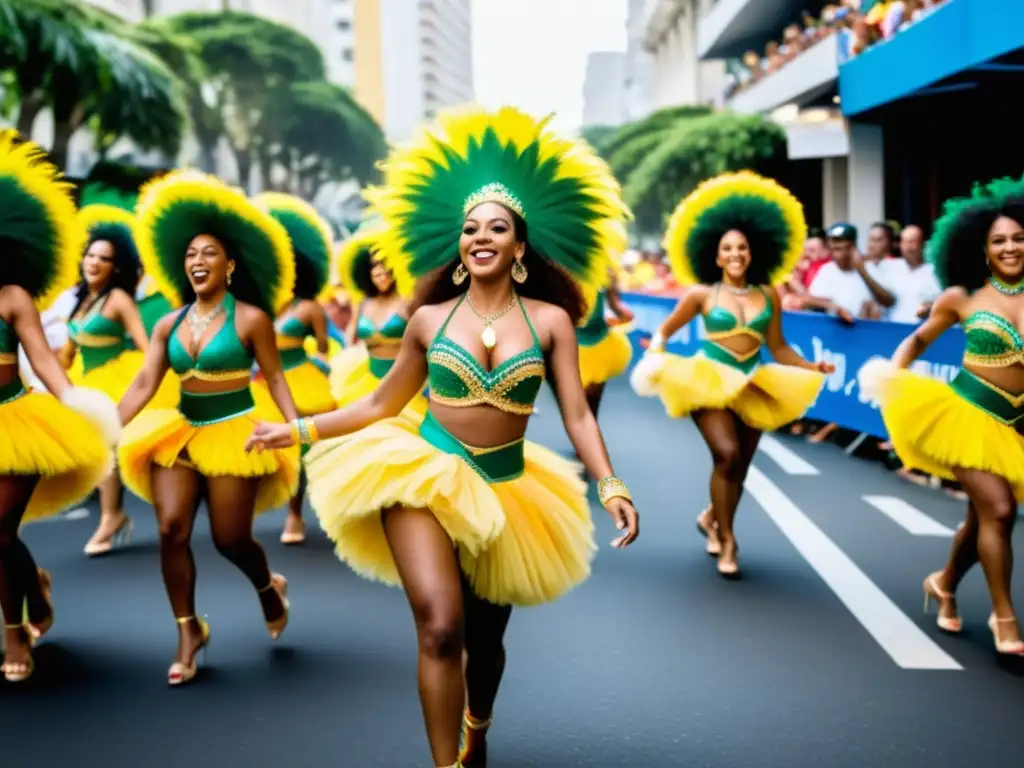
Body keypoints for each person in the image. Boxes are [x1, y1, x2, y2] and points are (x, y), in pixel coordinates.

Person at [247, 105, 640, 768]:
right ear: (459, 246)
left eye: (497, 228)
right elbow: (379, 403)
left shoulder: (551, 321)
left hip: (509, 488)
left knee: (484, 644)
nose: (480, 236)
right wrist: (296, 429)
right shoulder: (428, 318)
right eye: (470, 228)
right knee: (439, 627)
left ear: (520, 248)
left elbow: (577, 416)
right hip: (422, 472)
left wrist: (610, 483)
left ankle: (476, 727)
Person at [115, 170, 301, 685]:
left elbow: (278, 380)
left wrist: (298, 428)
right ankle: (188, 631)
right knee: (171, 529)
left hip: (235, 431)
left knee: (230, 539)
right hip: (180, 431)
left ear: (231, 265)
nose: (197, 261)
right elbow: (142, 385)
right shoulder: (167, 324)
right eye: (191, 254)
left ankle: (269, 587)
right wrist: (105, 426)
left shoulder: (252, 320)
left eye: (209, 253)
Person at [631, 171, 831, 577]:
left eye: (742, 247)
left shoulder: (769, 294)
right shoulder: (701, 295)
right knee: (727, 454)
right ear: (716, 255)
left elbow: (778, 347)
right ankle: (727, 539)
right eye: (728, 248)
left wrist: (813, 367)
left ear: (752, 253)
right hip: (707, 378)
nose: (736, 254)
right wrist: (656, 351)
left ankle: (712, 517)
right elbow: (666, 330)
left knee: (737, 468)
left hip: (752, 381)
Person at [860, 176, 1024, 656]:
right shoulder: (961, 296)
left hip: (1015, 425)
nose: (1010, 247)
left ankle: (944, 582)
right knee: (1000, 510)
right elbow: (916, 340)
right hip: (966, 416)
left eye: (1018, 237)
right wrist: (893, 377)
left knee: (981, 520)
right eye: (999, 241)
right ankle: (1004, 618)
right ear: (981, 247)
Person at [0, 132, 119, 682]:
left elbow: (43, 359)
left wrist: (72, 400)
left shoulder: (13, 295)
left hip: (17, 420)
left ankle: (15, 632)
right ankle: (34, 585)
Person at [64, 204, 178, 556]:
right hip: (85, 380)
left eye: (103, 258)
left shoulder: (118, 299)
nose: (93, 262)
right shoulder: (82, 300)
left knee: (115, 448)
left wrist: (147, 383)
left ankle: (117, 516)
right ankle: (114, 514)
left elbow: (148, 348)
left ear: (116, 268)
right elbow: (66, 355)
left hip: (119, 378)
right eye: (90, 255)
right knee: (100, 452)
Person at [251, 193, 335, 545]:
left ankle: (295, 514)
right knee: (257, 443)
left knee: (298, 445)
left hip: (300, 378)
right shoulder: (260, 303)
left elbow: (325, 345)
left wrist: (319, 361)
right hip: (261, 381)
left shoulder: (310, 307)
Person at [328, 221, 428, 420]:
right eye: (375, 266)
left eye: (385, 265)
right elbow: (351, 333)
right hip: (365, 383)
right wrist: (348, 355)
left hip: (404, 387)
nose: (380, 273)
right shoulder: (364, 302)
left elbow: (427, 340)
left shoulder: (409, 301)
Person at [573, 270, 634, 420]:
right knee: (591, 397)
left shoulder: (567, 276)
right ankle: (588, 429)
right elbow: (622, 313)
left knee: (584, 396)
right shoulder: (602, 277)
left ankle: (585, 430)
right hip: (596, 344)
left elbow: (622, 313)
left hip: (588, 345)